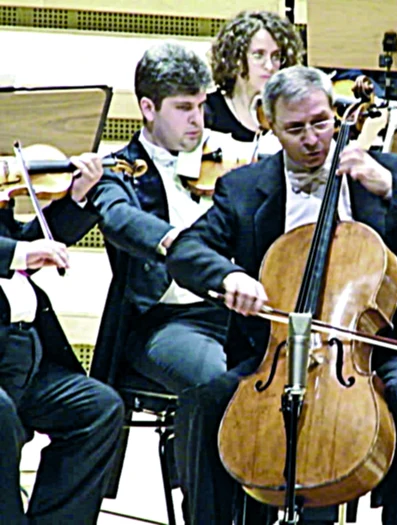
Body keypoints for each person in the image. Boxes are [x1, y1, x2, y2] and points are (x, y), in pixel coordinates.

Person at [165, 65, 397, 525]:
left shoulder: (385, 172)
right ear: (269, 126)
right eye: (295, 129)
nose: (313, 138)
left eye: (322, 122)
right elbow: (187, 250)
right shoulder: (245, 187)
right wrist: (230, 277)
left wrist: (392, 188)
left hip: (371, 350)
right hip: (271, 354)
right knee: (203, 402)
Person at [87, 42, 237, 522]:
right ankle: (206, 513)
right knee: (213, 380)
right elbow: (118, 217)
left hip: (229, 314)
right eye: (183, 108)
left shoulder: (226, 161)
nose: (198, 120)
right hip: (161, 325)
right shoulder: (116, 170)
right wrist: (181, 245)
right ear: (148, 108)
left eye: (201, 106)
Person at [0, 153, 125, 523]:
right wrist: (21, 252)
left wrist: (76, 199)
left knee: (97, 409)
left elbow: (25, 247)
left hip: (25, 354)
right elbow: (18, 252)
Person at [205, 10, 304, 151]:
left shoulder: (289, 114)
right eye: (258, 55)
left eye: (276, 56)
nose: (270, 66)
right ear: (235, 58)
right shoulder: (207, 111)